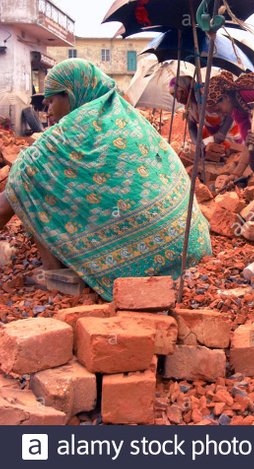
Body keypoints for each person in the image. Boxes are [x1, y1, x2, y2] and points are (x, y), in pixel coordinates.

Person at [0, 59, 212, 301]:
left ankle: (55, 272)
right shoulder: (123, 113)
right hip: (190, 244)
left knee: (28, 182)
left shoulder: (72, 129)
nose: (47, 110)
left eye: (50, 101)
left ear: (70, 95)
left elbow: (19, 180)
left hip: (146, 261)